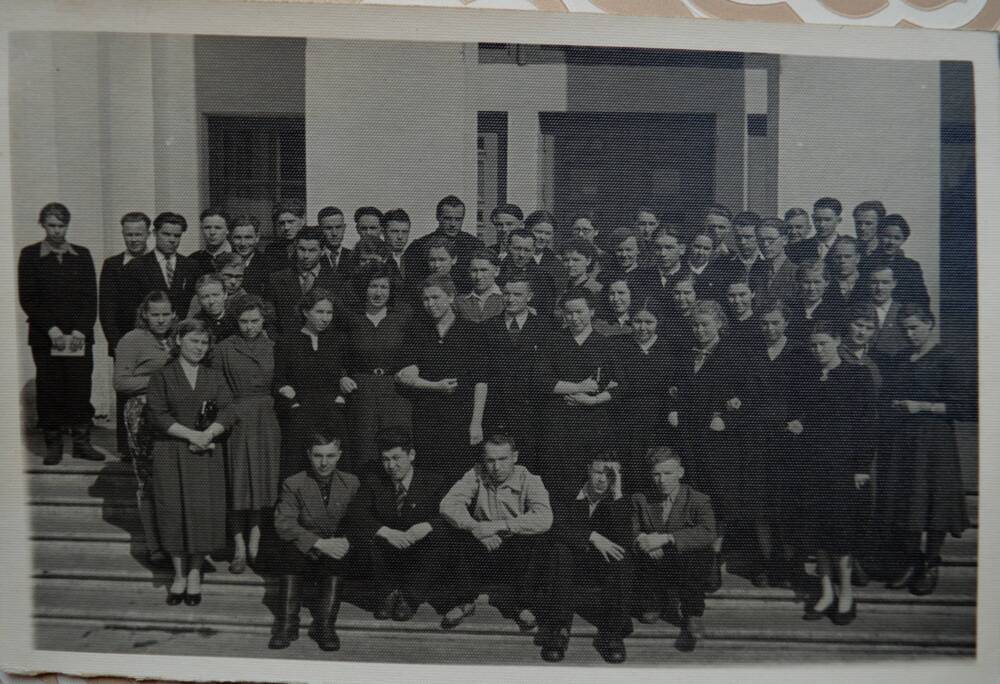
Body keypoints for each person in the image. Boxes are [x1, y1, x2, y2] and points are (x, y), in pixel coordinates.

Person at [437, 432, 562, 661]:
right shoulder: (475, 473)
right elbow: (447, 505)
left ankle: (521, 604)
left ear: (515, 456)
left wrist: (498, 526)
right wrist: (475, 528)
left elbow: (545, 518)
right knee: (451, 531)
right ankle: (465, 601)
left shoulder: (529, 479)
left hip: (514, 552)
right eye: (490, 460)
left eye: (502, 459)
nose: (496, 467)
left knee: (539, 539)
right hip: (482, 549)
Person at [876, 304, 971, 596]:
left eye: (915, 327)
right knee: (907, 500)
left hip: (934, 440)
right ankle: (911, 561)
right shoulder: (902, 356)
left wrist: (922, 406)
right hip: (904, 440)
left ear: (930, 324)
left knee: (934, 501)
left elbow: (966, 407)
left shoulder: (947, 358)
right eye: (905, 328)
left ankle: (930, 562)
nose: (909, 333)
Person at [786, 321, 876, 625]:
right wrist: (794, 423)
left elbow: (866, 425)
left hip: (842, 467)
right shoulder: (806, 376)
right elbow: (798, 413)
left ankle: (847, 593)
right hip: (810, 466)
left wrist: (862, 467)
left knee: (840, 532)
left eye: (823, 343)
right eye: (813, 345)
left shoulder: (857, 376)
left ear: (838, 340)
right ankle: (826, 592)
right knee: (816, 530)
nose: (818, 350)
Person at [146, 318, 238, 606]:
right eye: (193, 341)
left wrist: (208, 433)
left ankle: (196, 572)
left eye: (204, 342)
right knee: (172, 510)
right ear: (178, 341)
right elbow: (157, 415)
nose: (199, 347)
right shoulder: (162, 376)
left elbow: (228, 410)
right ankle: (179, 575)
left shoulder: (214, 376)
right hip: (170, 452)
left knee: (202, 512)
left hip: (205, 453)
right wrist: (191, 435)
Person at [665, 300, 746, 593]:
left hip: (718, 443)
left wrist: (727, 418)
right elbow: (674, 387)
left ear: (719, 325)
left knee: (718, 499)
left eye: (705, 325)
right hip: (688, 437)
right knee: (692, 495)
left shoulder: (734, 357)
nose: (699, 330)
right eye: (696, 325)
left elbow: (747, 400)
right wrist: (672, 406)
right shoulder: (685, 354)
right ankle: (691, 558)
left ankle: (713, 556)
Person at [18, 202, 102, 465]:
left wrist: (80, 329)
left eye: (61, 225)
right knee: (50, 388)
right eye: (52, 225)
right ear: (42, 225)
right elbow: (28, 297)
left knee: (79, 387)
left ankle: (81, 443)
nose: (56, 231)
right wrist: (51, 329)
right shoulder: (30, 255)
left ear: (68, 225)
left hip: (78, 336)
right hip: (46, 338)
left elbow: (90, 298)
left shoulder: (82, 254)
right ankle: (53, 445)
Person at [345, 428, 453, 621]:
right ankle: (387, 594)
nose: (391, 465)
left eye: (396, 458)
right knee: (364, 535)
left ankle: (409, 598)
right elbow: (356, 513)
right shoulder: (373, 481)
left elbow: (453, 516)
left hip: (419, 559)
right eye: (385, 459)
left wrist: (427, 526)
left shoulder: (434, 481)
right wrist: (385, 531)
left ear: (411, 455)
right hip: (388, 557)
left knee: (440, 537)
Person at [270, 429, 359, 651]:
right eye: (318, 455)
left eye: (330, 456)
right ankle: (287, 624)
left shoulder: (351, 483)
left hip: (334, 551)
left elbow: (359, 519)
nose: (323, 462)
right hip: (307, 550)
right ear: (309, 454)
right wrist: (319, 543)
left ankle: (325, 625)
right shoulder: (294, 483)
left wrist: (345, 541)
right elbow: (284, 523)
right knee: (289, 551)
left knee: (340, 554)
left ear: (339, 455)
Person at [396, 276, 487, 484]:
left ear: (451, 296)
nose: (431, 304)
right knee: (429, 475)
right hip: (426, 417)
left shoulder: (472, 331)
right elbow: (404, 376)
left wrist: (476, 422)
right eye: (426, 299)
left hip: (461, 417)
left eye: (436, 297)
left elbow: (481, 380)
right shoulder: (417, 330)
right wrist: (435, 386)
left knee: (461, 477)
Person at [214, 296, 281, 573]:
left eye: (255, 321)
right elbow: (218, 386)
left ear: (263, 320)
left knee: (262, 485)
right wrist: (231, 412)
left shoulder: (275, 346)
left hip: (267, 418)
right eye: (244, 321)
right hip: (237, 419)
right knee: (238, 484)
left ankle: (256, 543)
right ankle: (239, 547)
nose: (250, 327)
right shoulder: (223, 348)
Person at [631, 448, 716, 652]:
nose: (661, 480)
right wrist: (642, 540)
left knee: (697, 553)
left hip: (686, 563)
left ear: (680, 472)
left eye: (668, 473)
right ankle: (654, 601)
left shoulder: (698, 499)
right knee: (636, 555)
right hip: (655, 561)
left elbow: (708, 532)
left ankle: (692, 615)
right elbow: (631, 528)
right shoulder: (640, 498)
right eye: (656, 474)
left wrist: (667, 539)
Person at [548, 457, 633, 664]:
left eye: (610, 475)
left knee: (623, 555)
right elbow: (555, 527)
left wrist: (618, 492)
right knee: (560, 549)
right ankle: (560, 629)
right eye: (598, 472)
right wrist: (592, 537)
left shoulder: (619, 499)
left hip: (602, 569)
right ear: (588, 470)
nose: (603, 480)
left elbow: (625, 539)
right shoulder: (567, 492)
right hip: (570, 566)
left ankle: (613, 633)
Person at [113, 290, 176, 566]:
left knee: (173, 480)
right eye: (155, 315)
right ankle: (154, 545)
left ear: (173, 314)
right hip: (142, 414)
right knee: (148, 480)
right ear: (145, 315)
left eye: (166, 314)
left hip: (175, 415)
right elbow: (121, 382)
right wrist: (159, 381)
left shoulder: (178, 337)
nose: (161, 320)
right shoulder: (132, 339)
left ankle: (176, 541)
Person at [337, 263, 413, 480]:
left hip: (396, 390)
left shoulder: (404, 316)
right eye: (372, 286)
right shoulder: (351, 317)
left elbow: (417, 350)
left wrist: (412, 367)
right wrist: (342, 376)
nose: (378, 292)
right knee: (365, 450)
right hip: (362, 391)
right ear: (363, 288)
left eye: (383, 287)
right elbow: (337, 353)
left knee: (397, 449)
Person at [743, 300, 800, 587]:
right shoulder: (752, 353)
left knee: (786, 502)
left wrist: (800, 420)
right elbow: (742, 392)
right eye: (764, 323)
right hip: (757, 436)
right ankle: (765, 561)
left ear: (786, 323)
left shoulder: (798, 353)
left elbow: (809, 395)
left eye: (775, 322)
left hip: (788, 439)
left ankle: (788, 565)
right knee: (760, 502)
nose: (769, 328)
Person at [542, 288, 619, 498]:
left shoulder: (605, 344)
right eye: (569, 312)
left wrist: (590, 400)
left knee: (592, 484)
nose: (574, 318)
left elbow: (617, 385)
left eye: (580, 311)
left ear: (592, 311)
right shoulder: (553, 341)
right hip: (559, 425)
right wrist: (580, 388)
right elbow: (542, 382)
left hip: (593, 425)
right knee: (558, 483)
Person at [479, 274, 552, 473]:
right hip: (496, 413)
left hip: (532, 416)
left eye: (517, 294)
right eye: (507, 293)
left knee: (529, 471)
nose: (510, 299)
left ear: (529, 296)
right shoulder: (488, 327)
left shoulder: (545, 327)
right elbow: (482, 374)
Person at [273, 288, 344, 479]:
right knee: (297, 469)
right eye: (319, 312)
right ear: (305, 312)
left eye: (329, 312)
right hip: (299, 417)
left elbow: (344, 374)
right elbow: (279, 380)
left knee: (330, 469)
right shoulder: (287, 341)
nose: (325, 318)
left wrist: (340, 399)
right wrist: (293, 404)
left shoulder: (337, 341)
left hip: (330, 415)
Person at [100, 211, 151, 457]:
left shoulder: (156, 263)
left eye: (138, 234)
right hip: (123, 342)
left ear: (148, 234)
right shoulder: (112, 265)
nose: (133, 240)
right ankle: (126, 448)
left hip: (153, 341)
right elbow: (107, 308)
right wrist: (116, 343)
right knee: (126, 393)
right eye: (128, 234)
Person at [613, 300, 675, 493]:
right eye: (638, 321)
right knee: (627, 468)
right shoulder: (619, 346)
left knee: (653, 468)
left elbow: (671, 387)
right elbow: (618, 383)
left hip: (657, 420)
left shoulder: (669, 349)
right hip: (626, 417)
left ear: (658, 323)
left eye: (649, 322)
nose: (642, 327)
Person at [122, 211, 201, 329]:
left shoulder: (191, 266)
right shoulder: (135, 267)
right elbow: (129, 310)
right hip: (148, 336)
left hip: (183, 337)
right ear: (154, 233)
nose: (172, 240)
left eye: (177, 235)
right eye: (166, 234)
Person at [267, 226, 342, 334]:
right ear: (295, 248)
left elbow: (338, 322)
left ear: (322, 251)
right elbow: (270, 320)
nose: (306, 256)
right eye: (302, 249)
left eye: (312, 250)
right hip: (287, 345)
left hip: (322, 347)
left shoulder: (336, 281)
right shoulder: (277, 279)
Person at [403, 196, 485, 292]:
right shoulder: (418, 247)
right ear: (438, 217)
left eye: (458, 219)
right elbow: (413, 285)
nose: (453, 224)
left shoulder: (475, 246)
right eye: (448, 219)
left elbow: (482, 281)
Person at [861, 213, 931, 309]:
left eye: (897, 238)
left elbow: (922, 300)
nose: (891, 242)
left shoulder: (912, 267)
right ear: (878, 236)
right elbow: (860, 298)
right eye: (887, 236)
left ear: (903, 240)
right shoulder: (865, 264)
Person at [497, 229, 556, 320]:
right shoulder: (496, 274)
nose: (521, 254)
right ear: (508, 247)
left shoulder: (544, 278)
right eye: (517, 249)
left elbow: (547, 313)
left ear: (533, 250)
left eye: (527, 250)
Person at [785, 260, 843, 350]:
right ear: (798, 283)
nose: (812, 288)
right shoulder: (789, 309)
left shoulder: (834, 314)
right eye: (807, 282)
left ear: (826, 283)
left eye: (817, 282)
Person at [631, 227, 687, 309]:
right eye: (658, 248)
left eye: (669, 248)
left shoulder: (689, 276)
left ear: (681, 249)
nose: (662, 254)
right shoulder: (639, 276)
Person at [707, 212, 761, 295]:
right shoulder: (721, 264)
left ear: (759, 237)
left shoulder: (768, 264)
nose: (742, 242)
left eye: (748, 237)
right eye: (738, 237)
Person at [749, 218, 797, 304]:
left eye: (771, 240)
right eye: (760, 240)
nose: (765, 244)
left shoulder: (796, 273)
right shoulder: (756, 269)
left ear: (785, 240)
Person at [865, 264, 907, 358]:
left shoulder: (904, 313)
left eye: (885, 282)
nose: (879, 287)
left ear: (894, 284)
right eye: (874, 282)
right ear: (868, 283)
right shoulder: (857, 310)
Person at [786, 197, 844, 264]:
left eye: (827, 220)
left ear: (838, 220)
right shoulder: (796, 249)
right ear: (813, 218)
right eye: (818, 219)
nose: (822, 224)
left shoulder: (850, 248)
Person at [456, 249, 503, 322]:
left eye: (484, 270)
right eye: (474, 270)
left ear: (496, 271)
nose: (478, 276)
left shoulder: (507, 298)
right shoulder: (459, 302)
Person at [228, 215, 270, 297]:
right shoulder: (223, 263)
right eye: (237, 237)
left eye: (248, 237)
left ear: (257, 238)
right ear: (230, 238)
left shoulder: (269, 264)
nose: (243, 243)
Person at [190, 274, 238, 342]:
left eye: (215, 295)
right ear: (199, 300)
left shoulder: (237, 318)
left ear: (225, 295)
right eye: (205, 297)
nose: (211, 301)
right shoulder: (195, 324)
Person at [525, 210, 567, 285]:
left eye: (548, 233)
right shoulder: (517, 257)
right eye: (538, 232)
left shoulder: (557, 264)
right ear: (528, 230)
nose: (542, 237)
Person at [263, 200, 305, 272]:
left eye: (291, 222)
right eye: (282, 223)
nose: (286, 227)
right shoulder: (272, 250)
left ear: (302, 220)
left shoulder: (312, 245)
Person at [825, 236, 866, 310]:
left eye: (847, 256)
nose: (842, 261)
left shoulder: (868, 283)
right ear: (832, 258)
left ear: (857, 258)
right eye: (838, 257)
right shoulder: (826, 285)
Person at [189, 209, 232, 276]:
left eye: (218, 228)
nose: (212, 232)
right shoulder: (193, 260)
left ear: (227, 230)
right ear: (201, 230)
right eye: (207, 227)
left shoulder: (238, 256)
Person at [317, 206, 352, 277]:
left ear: (344, 228)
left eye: (338, 227)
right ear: (319, 230)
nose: (334, 233)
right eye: (328, 228)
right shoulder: (313, 257)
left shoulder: (354, 257)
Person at [382, 208, 411, 280]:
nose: (400, 237)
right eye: (394, 231)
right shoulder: (374, 258)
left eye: (404, 232)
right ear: (383, 232)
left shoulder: (414, 259)